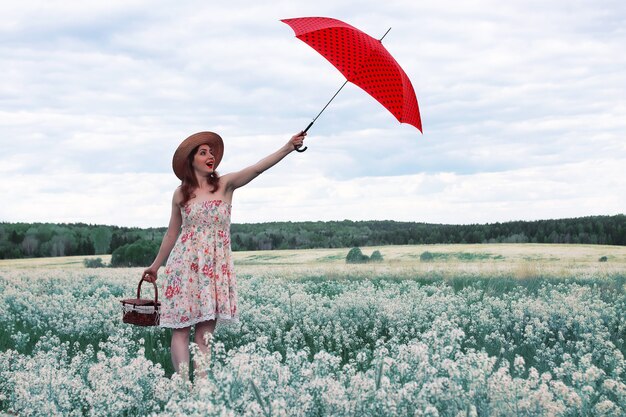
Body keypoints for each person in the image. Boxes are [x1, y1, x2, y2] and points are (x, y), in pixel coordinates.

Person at [143, 130, 306, 379]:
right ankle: (182, 389)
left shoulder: (225, 185)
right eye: (203, 152)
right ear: (191, 160)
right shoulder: (180, 194)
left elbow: (257, 169)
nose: (211, 157)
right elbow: (171, 234)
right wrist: (155, 267)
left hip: (214, 270)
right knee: (180, 330)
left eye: (212, 153)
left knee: (204, 334)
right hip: (183, 267)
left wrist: (288, 147)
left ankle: (202, 391)